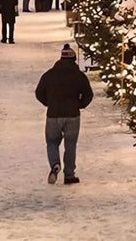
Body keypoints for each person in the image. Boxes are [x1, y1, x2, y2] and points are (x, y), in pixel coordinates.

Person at [35, 43, 93, 185]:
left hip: (53, 114)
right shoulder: (79, 76)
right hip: (73, 114)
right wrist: (79, 105)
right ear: (73, 60)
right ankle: (69, 175)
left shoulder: (49, 74)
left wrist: (49, 103)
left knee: (52, 142)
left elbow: (39, 93)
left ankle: (55, 164)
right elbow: (88, 94)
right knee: (71, 145)